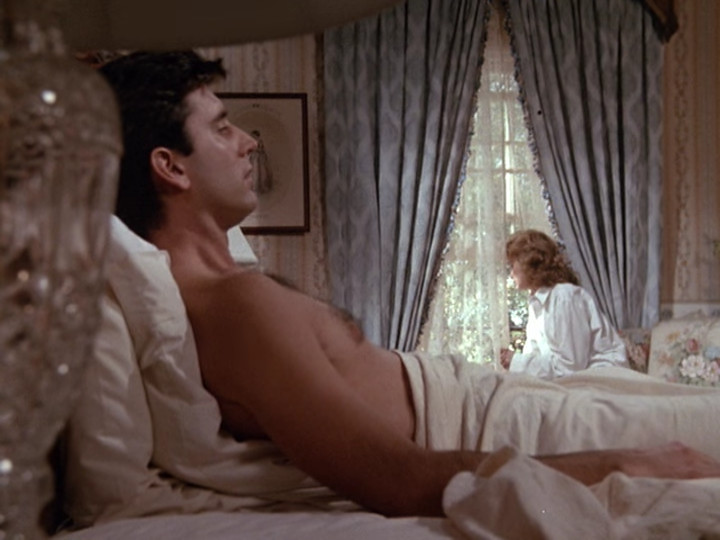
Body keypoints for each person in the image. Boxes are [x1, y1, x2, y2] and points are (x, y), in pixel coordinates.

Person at [98, 50, 720, 518]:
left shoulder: (228, 288)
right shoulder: (234, 306)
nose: (248, 142)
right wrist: (623, 462)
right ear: (170, 166)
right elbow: (398, 477)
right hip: (493, 426)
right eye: (221, 127)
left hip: (490, 401)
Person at [500, 229, 630, 380]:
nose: (511, 273)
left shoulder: (564, 297)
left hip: (604, 379)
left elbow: (570, 368)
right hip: (577, 382)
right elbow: (540, 360)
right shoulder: (537, 304)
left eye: (512, 265)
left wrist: (517, 362)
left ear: (529, 263)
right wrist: (516, 363)